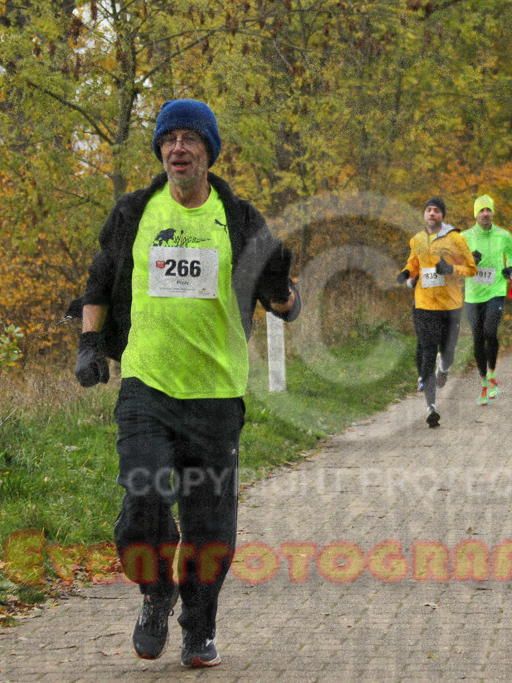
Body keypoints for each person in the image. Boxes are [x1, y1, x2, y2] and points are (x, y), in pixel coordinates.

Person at [69, 99, 300, 669]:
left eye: (189, 139)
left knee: (209, 526)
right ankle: (155, 592)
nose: (178, 148)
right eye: (169, 138)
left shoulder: (241, 220)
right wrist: (89, 344)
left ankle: (199, 628)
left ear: (208, 151)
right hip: (147, 386)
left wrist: (281, 286)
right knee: (144, 498)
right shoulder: (133, 214)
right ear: (160, 150)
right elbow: (98, 280)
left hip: (217, 395)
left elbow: (283, 305)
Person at [398, 197, 476, 426]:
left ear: (442, 215)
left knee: (448, 351)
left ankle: (445, 367)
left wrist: (451, 269)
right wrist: (405, 273)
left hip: (450, 305)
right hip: (424, 305)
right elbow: (414, 262)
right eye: (428, 210)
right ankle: (431, 406)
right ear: (424, 215)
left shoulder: (456, 239)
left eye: (436, 211)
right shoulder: (417, 239)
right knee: (428, 349)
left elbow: (471, 268)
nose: (432, 214)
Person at [463, 194, 512, 406]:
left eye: (488, 210)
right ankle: (484, 382)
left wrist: (510, 268)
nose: (485, 214)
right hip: (473, 294)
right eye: (481, 210)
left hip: (496, 291)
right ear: (476, 214)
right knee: (477, 337)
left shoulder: (504, 235)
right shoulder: (465, 237)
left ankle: (492, 375)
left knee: (490, 331)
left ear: (492, 213)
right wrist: (470, 261)